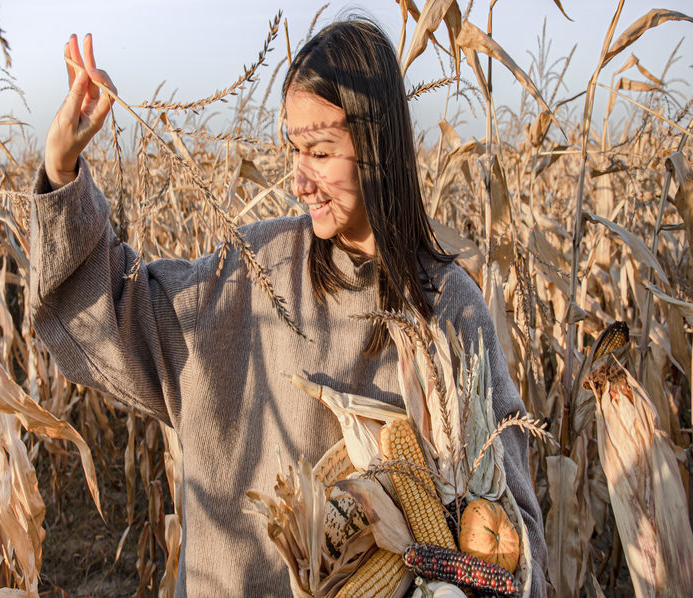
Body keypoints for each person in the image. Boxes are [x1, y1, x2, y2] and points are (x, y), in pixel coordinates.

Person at [31, 19, 548, 597]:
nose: (298, 181)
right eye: (294, 150)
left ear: (378, 148)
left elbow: (509, 531)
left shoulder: (448, 309)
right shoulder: (255, 270)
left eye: (320, 153)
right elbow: (118, 316)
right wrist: (61, 171)